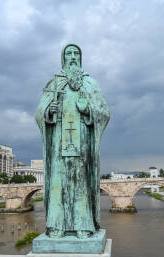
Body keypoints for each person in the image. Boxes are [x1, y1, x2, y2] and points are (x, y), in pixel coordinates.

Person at [36, 44, 110, 239]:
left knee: (81, 183)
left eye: (76, 53)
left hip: (82, 143)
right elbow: (39, 113)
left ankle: (83, 225)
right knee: (58, 184)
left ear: (81, 58)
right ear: (63, 58)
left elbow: (105, 113)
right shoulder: (54, 84)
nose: (72, 57)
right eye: (68, 53)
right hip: (58, 145)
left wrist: (87, 110)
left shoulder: (90, 84)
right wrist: (48, 113)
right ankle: (56, 225)